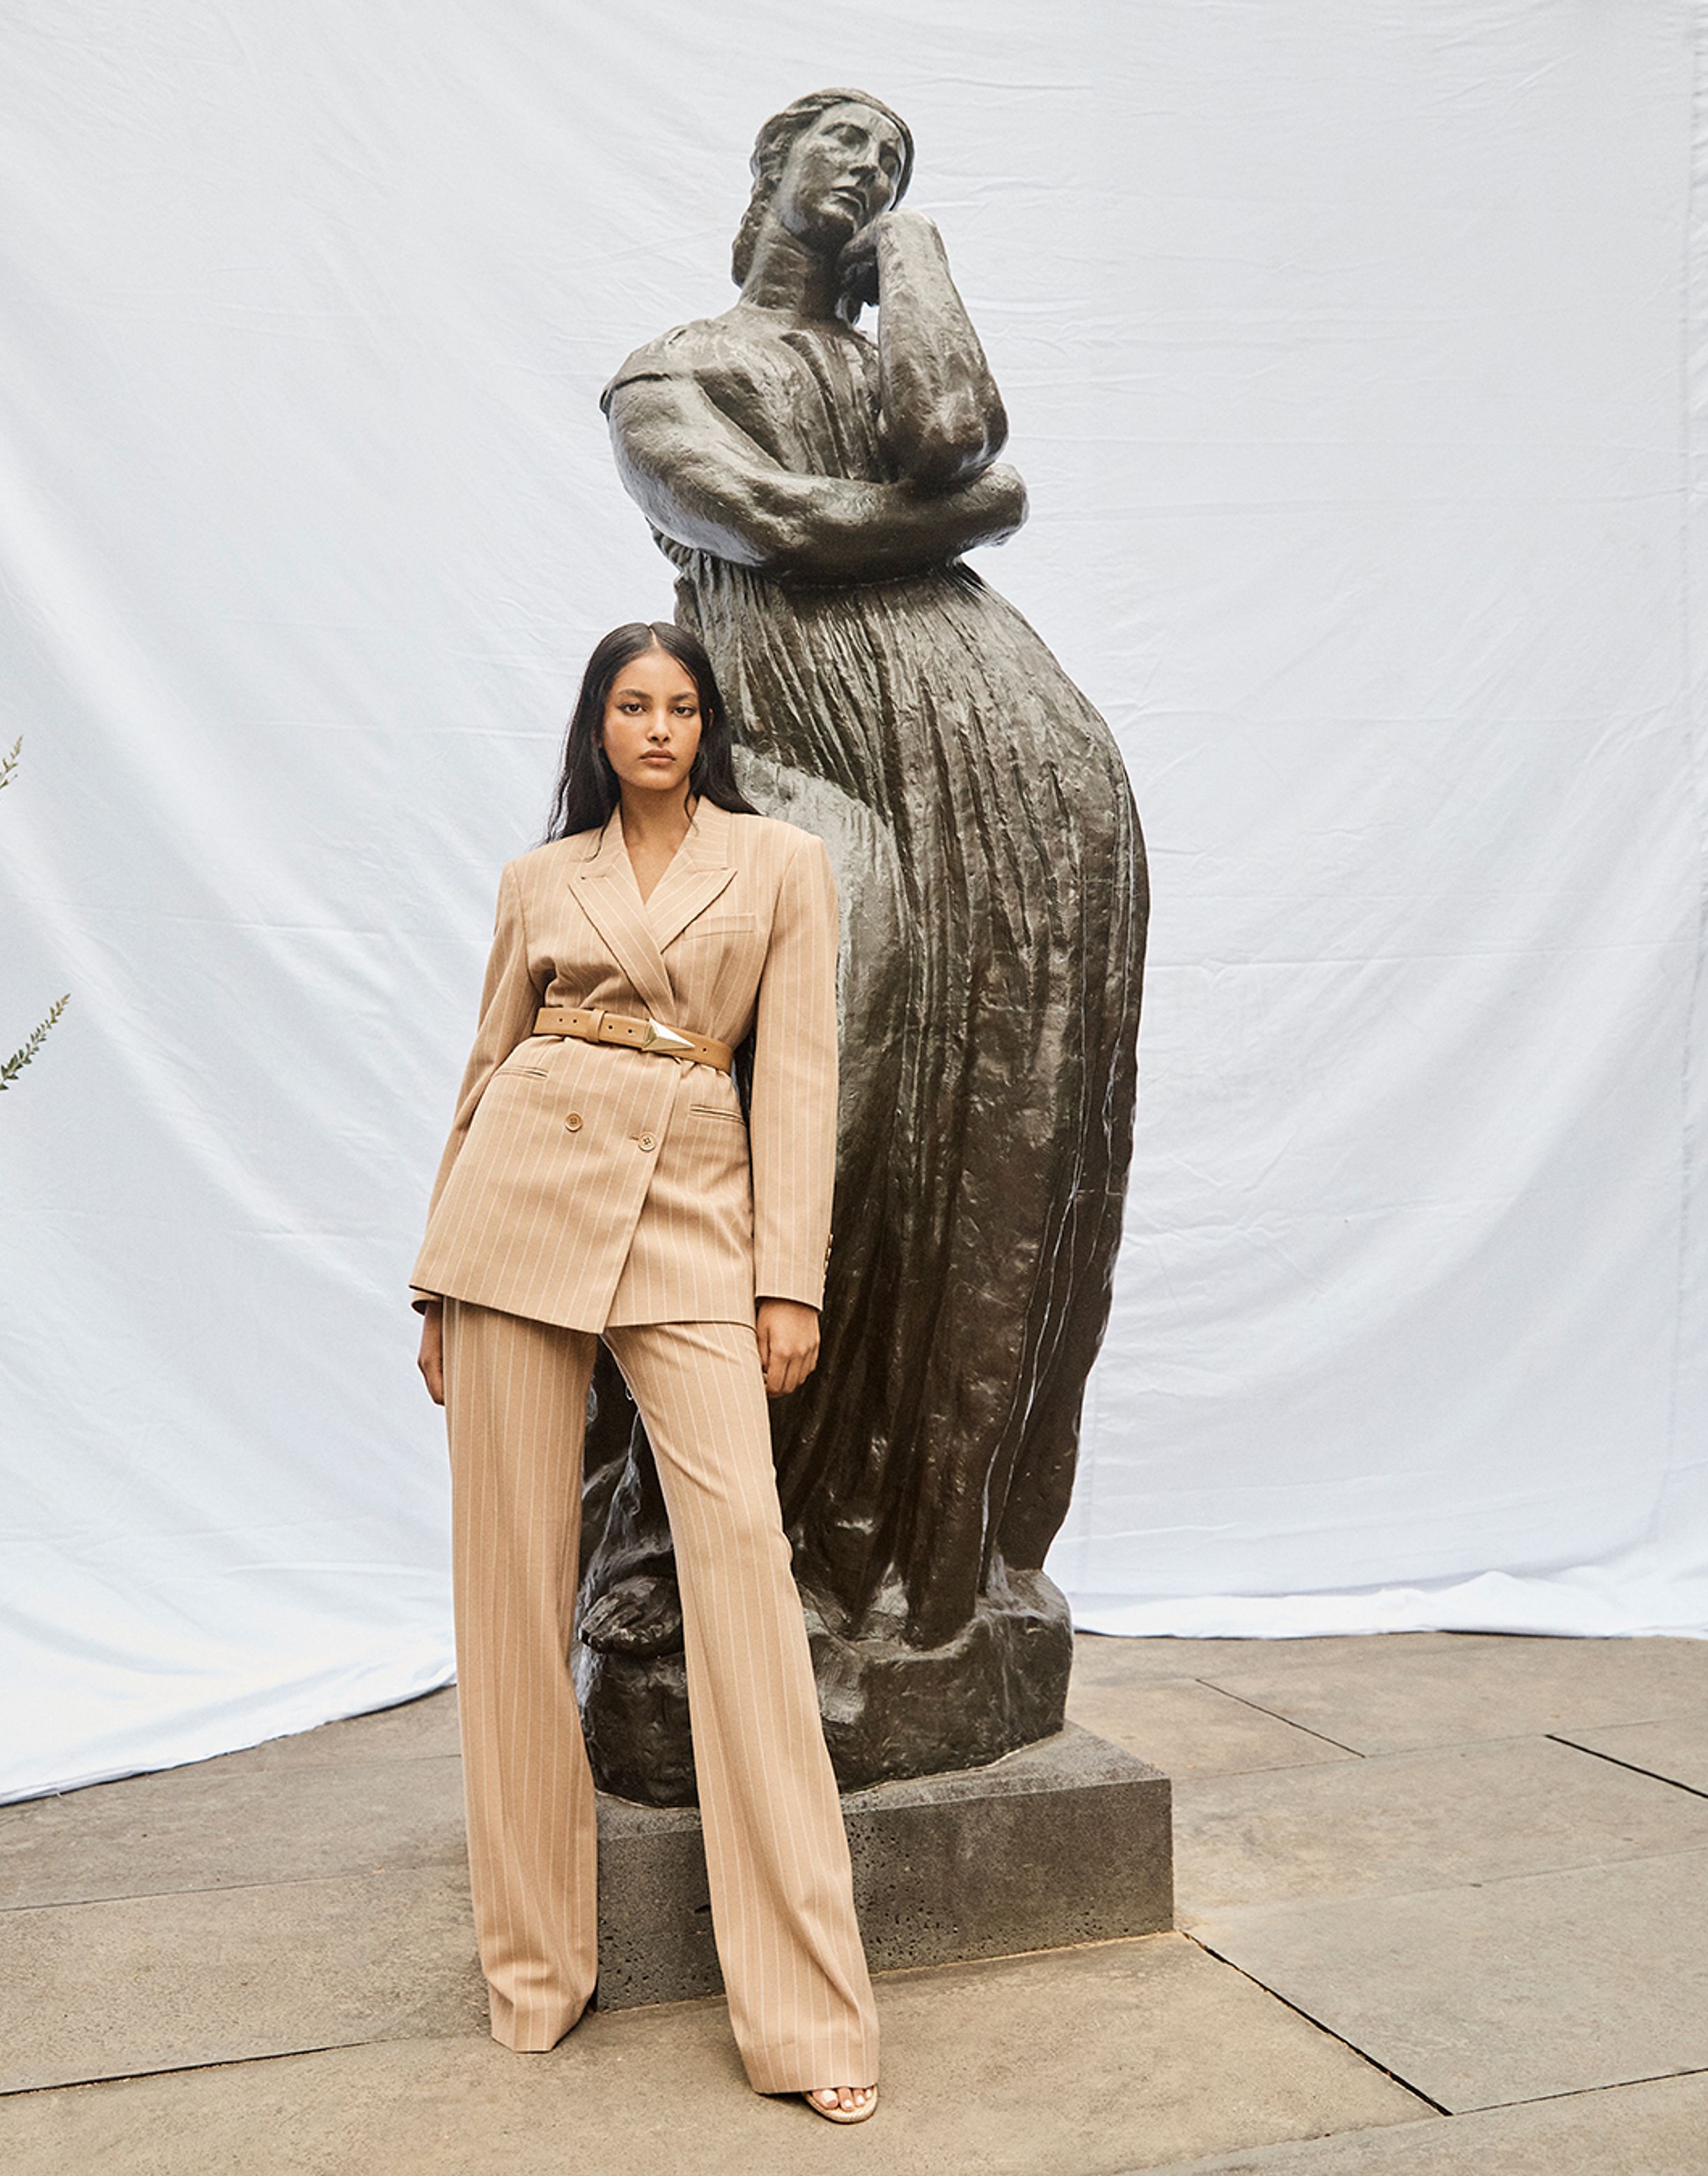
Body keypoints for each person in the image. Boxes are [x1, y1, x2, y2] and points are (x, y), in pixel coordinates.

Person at [590, 91, 1147, 1715]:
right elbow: (781, 527)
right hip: (806, 744)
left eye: (894, 162)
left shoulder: (892, 300)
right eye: (840, 147)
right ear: (764, 168)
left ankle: (928, 1555)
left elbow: (943, 431)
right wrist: (979, 522)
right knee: (826, 1093)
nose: (866, 170)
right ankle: (679, 1540)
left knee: (996, 1143)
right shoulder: (670, 371)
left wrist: (916, 255)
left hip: (1018, 784)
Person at [410, 620, 879, 2123]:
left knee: (738, 1556)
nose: (658, 727)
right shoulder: (536, 881)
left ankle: (809, 2022)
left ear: (707, 727)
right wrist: (434, 1280)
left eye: (680, 706)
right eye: (632, 704)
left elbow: (793, 1073)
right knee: (510, 1592)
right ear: (598, 727)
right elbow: (485, 1069)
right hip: (515, 1209)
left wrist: (784, 1278)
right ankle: (534, 1972)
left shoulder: (781, 866)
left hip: (691, 1206)